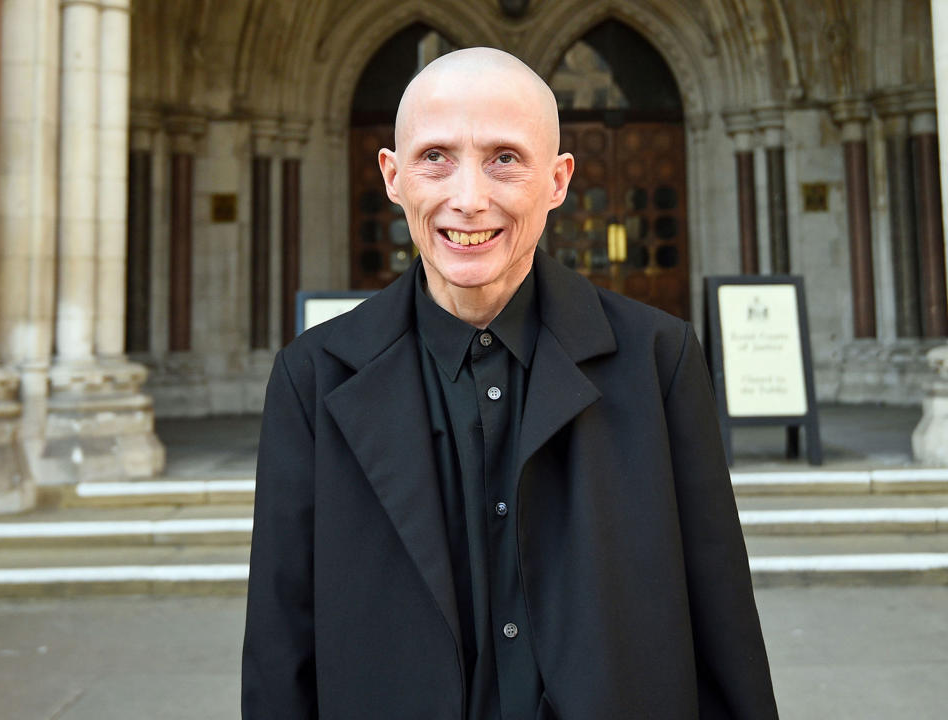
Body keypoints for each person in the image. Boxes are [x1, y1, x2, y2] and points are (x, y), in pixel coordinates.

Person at [242, 47, 778, 720]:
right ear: (393, 175)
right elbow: (281, 642)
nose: (468, 199)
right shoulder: (312, 378)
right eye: (435, 156)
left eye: (505, 158)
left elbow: (720, 621)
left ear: (556, 181)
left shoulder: (657, 358)